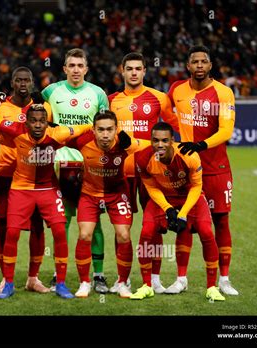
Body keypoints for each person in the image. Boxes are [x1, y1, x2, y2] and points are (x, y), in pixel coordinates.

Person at [0, 104, 92, 299]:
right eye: (33, 121)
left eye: (42, 121)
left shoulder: (58, 133)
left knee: (59, 231)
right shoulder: (15, 131)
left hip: (48, 189)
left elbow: (85, 126)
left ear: (47, 122)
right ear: (26, 122)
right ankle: (9, 283)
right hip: (21, 189)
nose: (38, 125)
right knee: (11, 232)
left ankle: (61, 284)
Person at [166, 45, 238, 295]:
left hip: (217, 168)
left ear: (210, 65)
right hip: (187, 171)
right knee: (184, 222)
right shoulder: (176, 89)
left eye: (203, 61)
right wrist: (178, 137)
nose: (199, 65)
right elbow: (165, 111)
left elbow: (227, 130)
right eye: (194, 61)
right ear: (188, 66)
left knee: (221, 221)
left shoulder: (223, 92)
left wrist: (201, 144)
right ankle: (181, 279)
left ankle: (224, 280)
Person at [109, 52, 179, 294]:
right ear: (122, 71)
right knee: (123, 228)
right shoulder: (111, 100)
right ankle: (123, 279)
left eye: (138, 69)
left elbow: (175, 129)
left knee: (157, 228)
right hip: (122, 173)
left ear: (144, 71)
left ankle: (155, 279)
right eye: (129, 69)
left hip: (153, 174)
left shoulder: (160, 98)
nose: (134, 73)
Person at [41, 48, 111, 293]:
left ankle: (99, 275)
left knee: (94, 223)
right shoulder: (50, 92)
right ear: (64, 68)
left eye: (80, 65)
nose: (76, 70)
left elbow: (105, 130)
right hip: (58, 166)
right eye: (71, 65)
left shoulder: (98, 94)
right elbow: (37, 118)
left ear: (86, 68)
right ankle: (57, 274)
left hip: (88, 168)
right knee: (61, 223)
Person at [130, 122, 224, 302]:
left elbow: (197, 186)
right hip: (163, 198)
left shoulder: (189, 155)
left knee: (206, 232)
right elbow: (151, 186)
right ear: (150, 140)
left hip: (190, 196)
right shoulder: (142, 158)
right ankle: (147, 285)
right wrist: (168, 209)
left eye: (165, 140)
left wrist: (182, 214)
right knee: (146, 232)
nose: (160, 145)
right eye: (156, 140)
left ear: (172, 140)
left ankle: (212, 287)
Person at [66, 110, 149, 298]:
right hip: (89, 194)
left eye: (109, 130)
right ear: (93, 130)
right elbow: (59, 137)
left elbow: (153, 144)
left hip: (117, 194)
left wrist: (184, 146)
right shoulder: (82, 141)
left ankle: (122, 283)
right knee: (85, 235)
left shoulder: (125, 142)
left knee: (124, 235)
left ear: (116, 129)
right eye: (101, 129)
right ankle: (85, 283)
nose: (105, 134)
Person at [0, 67, 52, 294]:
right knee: (5, 225)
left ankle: (33, 278)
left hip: (36, 175)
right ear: (12, 83)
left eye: (27, 80)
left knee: (37, 226)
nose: (23, 84)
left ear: (33, 82)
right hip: (7, 174)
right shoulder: (1, 108)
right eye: (19, 80)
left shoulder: (42, 109)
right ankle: (5, 278)